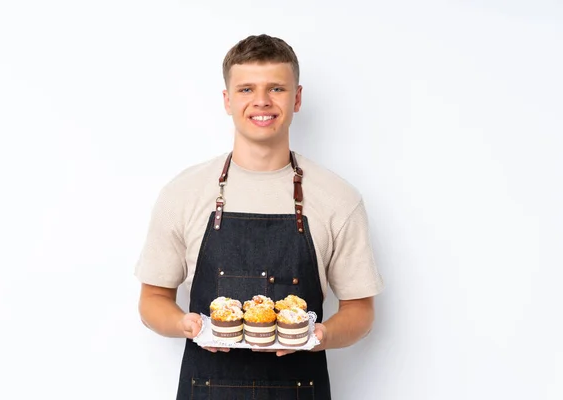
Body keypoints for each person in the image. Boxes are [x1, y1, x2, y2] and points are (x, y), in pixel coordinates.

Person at [134, 33, 385, 399]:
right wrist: (184, 324)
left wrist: (321, 335)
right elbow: (152, 299)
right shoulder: (184, 193)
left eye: (277, 89)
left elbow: (361, 311)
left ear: (297, 98)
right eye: (247, 89)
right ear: (227, 100)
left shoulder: (337, 198)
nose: (262, 102)